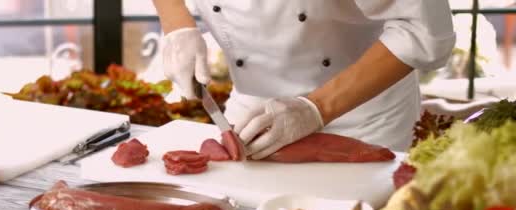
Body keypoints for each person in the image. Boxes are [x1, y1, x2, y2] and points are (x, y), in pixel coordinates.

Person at [152, 0, 456, 157]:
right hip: (253, 106)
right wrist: (177, 24)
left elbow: (424, 33)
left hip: (364, 113)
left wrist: (315, 108)